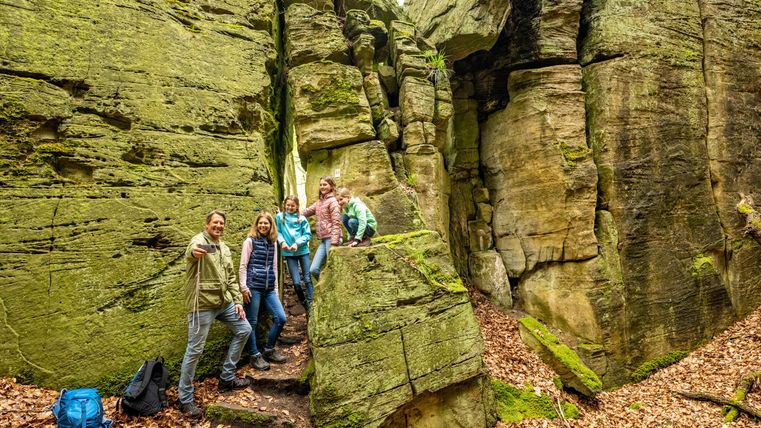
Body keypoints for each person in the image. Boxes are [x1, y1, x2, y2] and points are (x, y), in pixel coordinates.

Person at [179, 210, 252, 418]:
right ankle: (185, 399)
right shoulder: (199, 240)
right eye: (215, 223)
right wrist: (195, 251)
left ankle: (226, 377)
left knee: (244, 329)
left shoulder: (225, 248)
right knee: (195, 350)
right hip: (201, 305)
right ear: (207, 224)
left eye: (221, 223)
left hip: (223, 303)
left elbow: (230, 277)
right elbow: (191, 251)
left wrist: (237, 301)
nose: (219, 226)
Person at [239, 212, 288, 371]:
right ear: (257, 224)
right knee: (251, 322)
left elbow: (274, 267)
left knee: (280, 318)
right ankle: (254, 355)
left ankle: (269, 349)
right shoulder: (249, 241)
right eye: (260, 223)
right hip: (253, 287)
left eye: (266, 223)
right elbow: (243, 266)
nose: (263, 226)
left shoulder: (273, 243)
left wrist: (275, 289)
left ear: (271, 225)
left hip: (269, 289)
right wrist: (243, 287)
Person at [276, 195, 313, 311]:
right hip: (288, 253)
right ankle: (303, 302)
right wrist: (282, 242)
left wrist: (297, 243)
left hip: (302, 251)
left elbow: (307, 235)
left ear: (297, 206)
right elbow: (278, 232)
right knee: (296, 282)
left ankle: (311, 302)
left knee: (307, 279)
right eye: (288, 205)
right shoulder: (280, 217)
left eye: (293, 205)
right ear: (284, 205)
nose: (290, 207)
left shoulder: (301, 218)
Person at [302, 176, 341, 282]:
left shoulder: (333, 201)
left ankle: (334, 291)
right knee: (313, 269)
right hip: (324, 240)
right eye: (321, 185)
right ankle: (325, 289)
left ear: (331, 186)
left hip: (332, 239)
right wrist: (285, 214)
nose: (322, 187)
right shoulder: (320, 202)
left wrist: (334, 243)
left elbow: (336, 223)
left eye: (325, 184)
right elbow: (306, 211)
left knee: (333, 269)